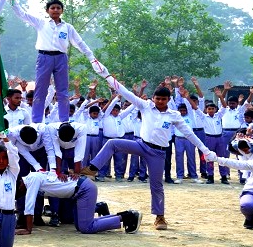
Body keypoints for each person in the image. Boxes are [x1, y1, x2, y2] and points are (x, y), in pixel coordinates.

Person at [82, 72, 213, 231]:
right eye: (157, 99)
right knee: (112, 143)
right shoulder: (145, 106)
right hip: (141, 145)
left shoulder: (174, 115)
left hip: (158, 153)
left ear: (168, 99)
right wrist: (108, 77)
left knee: (156, 185)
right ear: (153, 98)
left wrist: (205, 150)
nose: (160, 102)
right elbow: (125, 92)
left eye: (163, 99)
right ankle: (93, 169)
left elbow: (189, 134)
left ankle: (159, 217)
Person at [11, 0, 103, 124]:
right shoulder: (41, 23)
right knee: (40, 90)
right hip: (44, 57)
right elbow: (22, 14)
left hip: (61, 58)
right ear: (47, 11)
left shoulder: (68, 27)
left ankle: (64, 120)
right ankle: (37, 121)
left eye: (58, 8)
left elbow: (79, 43)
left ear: (62, 11)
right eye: (52, 8)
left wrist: (91, 57)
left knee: (63, 91)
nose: (55, 10)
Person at [16, 171, 141, 235]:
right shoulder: (33, 176)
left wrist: (28, 229)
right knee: (78, 225)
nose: (21, 195)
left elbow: (29, 205)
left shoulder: (31, 180)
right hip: (78, 193)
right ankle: (105, 209)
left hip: (84, 189)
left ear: (20, 185)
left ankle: (128, 216)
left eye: (19, 193)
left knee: (86, 227)